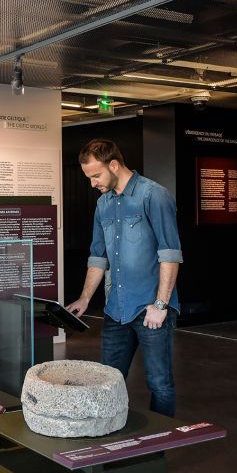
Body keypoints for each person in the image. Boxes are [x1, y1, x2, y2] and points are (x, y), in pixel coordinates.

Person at [67, 139, 183, 417]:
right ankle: (111, 442)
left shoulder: (153, 195)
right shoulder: (103, 205)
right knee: (108, 381)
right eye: (89, 177)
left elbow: (170, 254)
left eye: (96, 175)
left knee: (159, 384)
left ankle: (157, 450)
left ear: (114, 165)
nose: (92, 183)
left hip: (150, 310)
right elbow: (98, 257)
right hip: (115, 310)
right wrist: (85, 298)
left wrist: (160, 305)